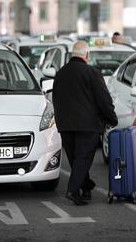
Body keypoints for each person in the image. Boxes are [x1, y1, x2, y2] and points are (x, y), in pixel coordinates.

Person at [52, 40, 118, 206]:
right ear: (87, 55)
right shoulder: (92, 72)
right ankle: (73, 190)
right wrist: (112, 118)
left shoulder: (60, 74)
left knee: (76, 160)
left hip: (65, 125)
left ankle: (86, 186)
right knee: (83, 158)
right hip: (87, 125)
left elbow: (56, 99)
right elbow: (104, 100)